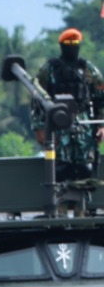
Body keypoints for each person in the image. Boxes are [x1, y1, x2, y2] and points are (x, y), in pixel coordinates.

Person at [35, 29, 104, 182]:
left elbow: (101, 97)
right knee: (60, 168)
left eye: (75, 43)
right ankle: (62, 204)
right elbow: (37, 98)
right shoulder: (50, 69)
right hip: (57, 123)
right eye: (68, 43)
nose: (72, 47)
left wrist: (100, 125)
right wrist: (39, 127)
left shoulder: (88, 69)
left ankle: (83, 204)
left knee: (86, 168)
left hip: (83, 125)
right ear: (62, 45)